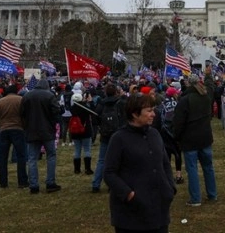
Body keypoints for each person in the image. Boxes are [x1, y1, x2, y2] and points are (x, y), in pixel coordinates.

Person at [104, 92, 175, 233]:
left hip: (159, 211)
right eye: (149, 111)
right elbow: (109, 173)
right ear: (135, 114)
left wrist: (170, 188)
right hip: (131, 216)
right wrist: (129, 194)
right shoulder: (119, 139)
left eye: (153, 110)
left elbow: (165, 163)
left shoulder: (154, 134)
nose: (153, 114)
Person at [172, 71, 218, 207]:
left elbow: (178, 122)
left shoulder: (185, 100)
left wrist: (177, 136)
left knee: (192, 168)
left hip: (190, 138)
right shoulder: (205, 97)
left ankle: (196, 198)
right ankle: (212, 194)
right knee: (208, 167)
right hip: (205, 136)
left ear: (188, 83)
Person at [20, 78, 62, 194]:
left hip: (31, 130)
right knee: (51, 156)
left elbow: (22, 113)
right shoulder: (49, 96)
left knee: (32, 159)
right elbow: (56, 112)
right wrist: (54, 123)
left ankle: (33, 185)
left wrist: (26, 126)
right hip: (47, 131)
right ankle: (50, 182)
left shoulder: (27, 96)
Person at [92, 83, 126, 193]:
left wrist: (102, 125)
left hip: (105, 135)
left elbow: (95, 119)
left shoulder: (101, 103)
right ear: (116, 92)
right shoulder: (120, 103)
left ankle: (96, 184)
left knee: (102, 160)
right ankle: (113, 185)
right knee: (117, 161)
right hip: (118, 135)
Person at [0, 84, 28, 189]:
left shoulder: (0, 102)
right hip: (18, 129)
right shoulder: (21, 100)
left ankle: (3, 182)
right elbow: (25, 115)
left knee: (3, 158)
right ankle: (22, 181)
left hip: (3, 130)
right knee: (21, 156)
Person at [69, 82, 94, 176]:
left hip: (75, 131)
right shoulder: (85, 108)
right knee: (87, 150)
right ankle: (87, 169)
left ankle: (77, 169)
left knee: (77, 150)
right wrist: (89, 101)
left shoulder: (72, 109)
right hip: (85, 131)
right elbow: (92, 111)